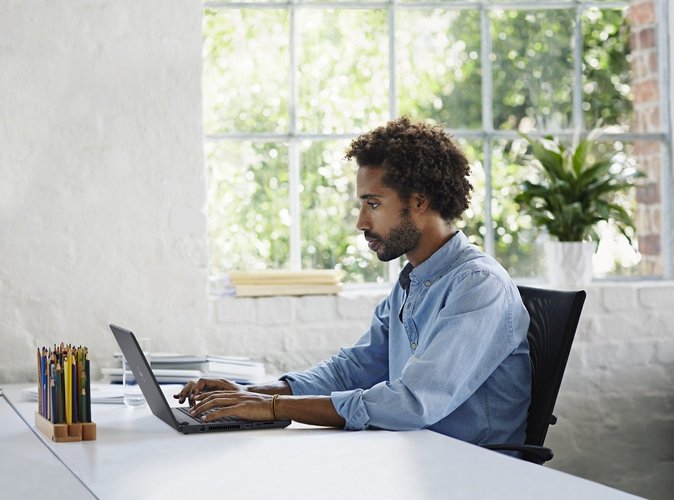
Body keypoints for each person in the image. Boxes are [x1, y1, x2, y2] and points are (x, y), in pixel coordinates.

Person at [175, 117, 531, 446]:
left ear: (419, 201)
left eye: (373, 204)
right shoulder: (413, 282)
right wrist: (254, 393)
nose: (361, 222)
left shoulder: (478, 286)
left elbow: (412, 404)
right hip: (412, 457)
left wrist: (273, 408)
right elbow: (353, 371)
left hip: (469, 475)